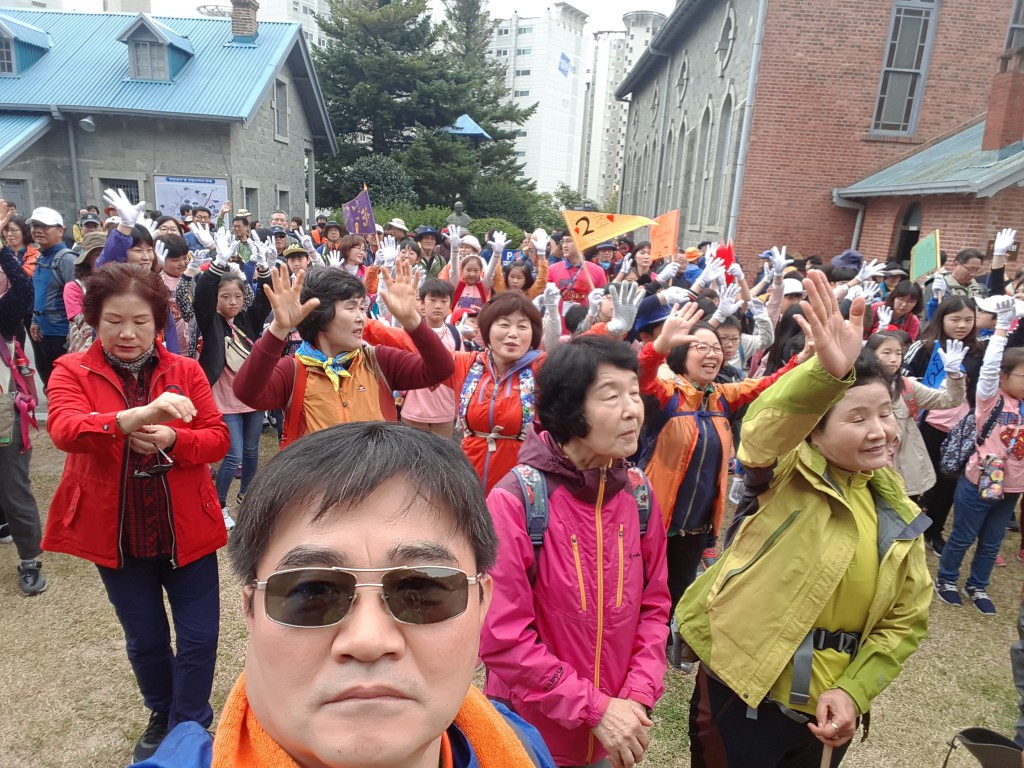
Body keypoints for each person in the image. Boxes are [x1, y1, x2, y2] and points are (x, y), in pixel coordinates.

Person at [134, 421, 555, 767]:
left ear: (482, 604)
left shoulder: (525, 746)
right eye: (312, 591)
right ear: (251, 610)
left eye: (421, 588)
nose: (368, 641)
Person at [678, 270, 931, 767]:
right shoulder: (785, 473)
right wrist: (826, 377)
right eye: (856, 418)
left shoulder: (899, 510)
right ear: (814, 431)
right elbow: (763, 429)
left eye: (884, 414)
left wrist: (854, 691)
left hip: (826, 709)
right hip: (743, 688)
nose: (879, 430)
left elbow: (906, 620)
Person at [43, 263, 230, 762]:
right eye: (114, 321)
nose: (127, 333)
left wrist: (174, 438)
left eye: (140, 322)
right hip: (118, 535)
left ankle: (189, 722)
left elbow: (217, 438)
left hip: (186, 529)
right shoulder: (71, 370)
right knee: (145, 639)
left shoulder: (186, 370)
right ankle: (162, 710)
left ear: (158, 322)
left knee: (199, 637)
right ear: (94, 320)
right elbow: (64, 429)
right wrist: (131, 419)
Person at [480, 335, 670, 768]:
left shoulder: (638, 495)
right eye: (612, 396)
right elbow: (503, 637)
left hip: (615, 734)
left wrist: (635, 698)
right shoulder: (517, 500)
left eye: (634, 393)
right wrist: (596, 710)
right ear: (570, 407)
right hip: (531, 735)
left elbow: (655, 608)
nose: (632, 409)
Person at [232, 262, 455, 443]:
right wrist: (279, 329)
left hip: (377, 482)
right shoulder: (293, 370)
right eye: (351, 307)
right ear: (320, 314)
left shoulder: (379, 361)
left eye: (362, 308)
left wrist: (413, 321)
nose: (361, 318)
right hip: (317, 485)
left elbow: (441, 369)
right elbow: (247, 393)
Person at [936, 297, 1024, 615]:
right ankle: (947, 579)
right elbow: (988, 369)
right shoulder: (991, 399)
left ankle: (978, 585)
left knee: (992, 541)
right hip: (979, 483)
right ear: (1003, 377)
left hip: (1011, 488)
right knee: (963, 536)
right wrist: (1002, 328)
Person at [449, 290, 560, 494]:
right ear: (487, 329)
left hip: (520, 488)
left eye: (522, 326)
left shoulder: (540, 369)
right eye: (504, 324)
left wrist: (609, 332)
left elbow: (576, 363)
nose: (513, 333)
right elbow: (424, 354)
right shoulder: (470, 364)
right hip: (469, 482)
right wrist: (411, 322)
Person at [192, 248, 273, 529]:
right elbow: (201, 299)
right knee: (233, 454)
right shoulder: (210, 321)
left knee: (251, 451)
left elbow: (265, 300)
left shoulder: (248, 320)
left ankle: (247, 497)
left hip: (252, 397)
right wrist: (216, 266)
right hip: (225, 398)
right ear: (216, 300)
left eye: (237, 296)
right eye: (225, 296)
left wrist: (263, 270)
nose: (233, 302)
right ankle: (219, 504)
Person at [903, 296, 984, 554]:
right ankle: (906, 521)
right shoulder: (925, 346)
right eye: (955, 319)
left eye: (968, 320)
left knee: (948, 482)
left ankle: (934, 529)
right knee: (918, 475)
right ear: (942, 318)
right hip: (926, 423)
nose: (962, 325)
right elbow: (904, 377)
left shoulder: (977, 350)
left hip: (961, 429)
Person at [0, 200, 47, 595]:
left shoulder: (3, 315)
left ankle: (29, 559)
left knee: (14, 489)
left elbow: (23, 289)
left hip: (3, 413)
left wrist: (1, 248)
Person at [865, 331, 965, 498]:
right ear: (870, 353)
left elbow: (949, 400)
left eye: (898, 353)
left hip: (902, 471)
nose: (894, 359)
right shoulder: (855, 386)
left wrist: (954, 375)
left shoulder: (907, 386)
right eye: (886, 352)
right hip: (867, 469)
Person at [400, 278, 460, 437]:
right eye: (432, 300)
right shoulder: (410, 333)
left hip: (445, 411)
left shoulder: (455, 335)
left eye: (444, 301)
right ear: (422, 304)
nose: (438, 306)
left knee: (442, 452)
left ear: (450, 305)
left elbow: (460, 373)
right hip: (413, 411)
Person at [27, 206, 76, 387]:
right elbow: (39, 292)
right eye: (34, 226)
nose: (38, 230)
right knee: (48, 378)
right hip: (43, 330)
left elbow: (77, 298)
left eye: (44, 226)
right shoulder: (42, 257)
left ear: (60, 230)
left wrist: (73, 330)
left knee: (63, 381)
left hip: (61, 334)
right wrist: (35, 320)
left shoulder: (67, 259)